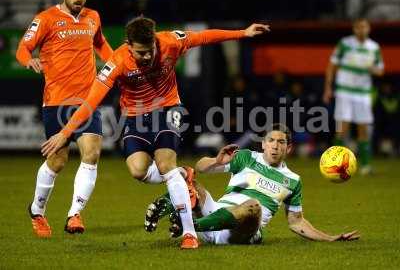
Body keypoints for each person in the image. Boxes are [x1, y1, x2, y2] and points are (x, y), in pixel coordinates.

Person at [40, 17, 270, 248]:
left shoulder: (170, 41)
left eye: (150, 50)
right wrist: (64, 133)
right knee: (138, 170)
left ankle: (189, 234)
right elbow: (90, 102)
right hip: (135, 117)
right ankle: (183, 175)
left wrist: (242, 32)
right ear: (128, 45)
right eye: (141, 53)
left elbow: (205, 37)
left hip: (167, 107)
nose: (147, 57)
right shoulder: (117, 61)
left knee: (165, 164)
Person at [144, 124, 360, 245]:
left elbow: (296, 222)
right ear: (263, 144)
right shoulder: (245, 157)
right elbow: (200, 167)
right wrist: (216, 162)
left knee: (253, 205)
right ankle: (164, 208)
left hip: (241, 231)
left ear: (289, 148)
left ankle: (189, 227)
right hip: (216, 213)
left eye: (281, 142)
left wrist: (331, 238)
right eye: (271, 141)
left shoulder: (293, 180)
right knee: (185, 175)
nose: (275, 146)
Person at [16, 0, 113, 238]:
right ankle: (37, 209)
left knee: (92, 153)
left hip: (87, 100)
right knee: (58, 161)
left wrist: (116, 63)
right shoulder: (45, 19)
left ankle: (74, 214)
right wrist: (29, 60)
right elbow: (22, 49)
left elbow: (101, 45)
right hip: (57, 101)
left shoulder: (93, 17)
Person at [323, 18, 384, 175]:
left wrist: (373, 69)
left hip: (363, 93)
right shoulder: (345, 44)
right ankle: (333, 165)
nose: (361, 30)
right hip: (345, 91)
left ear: (368, 28)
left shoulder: (374, 47)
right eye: (358, 27)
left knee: (363, 129)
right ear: (354, 29)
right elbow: (332, 66)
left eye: (364, 27)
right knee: (342, 129)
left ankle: (365, 167)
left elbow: (380, 70)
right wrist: (328, 88)